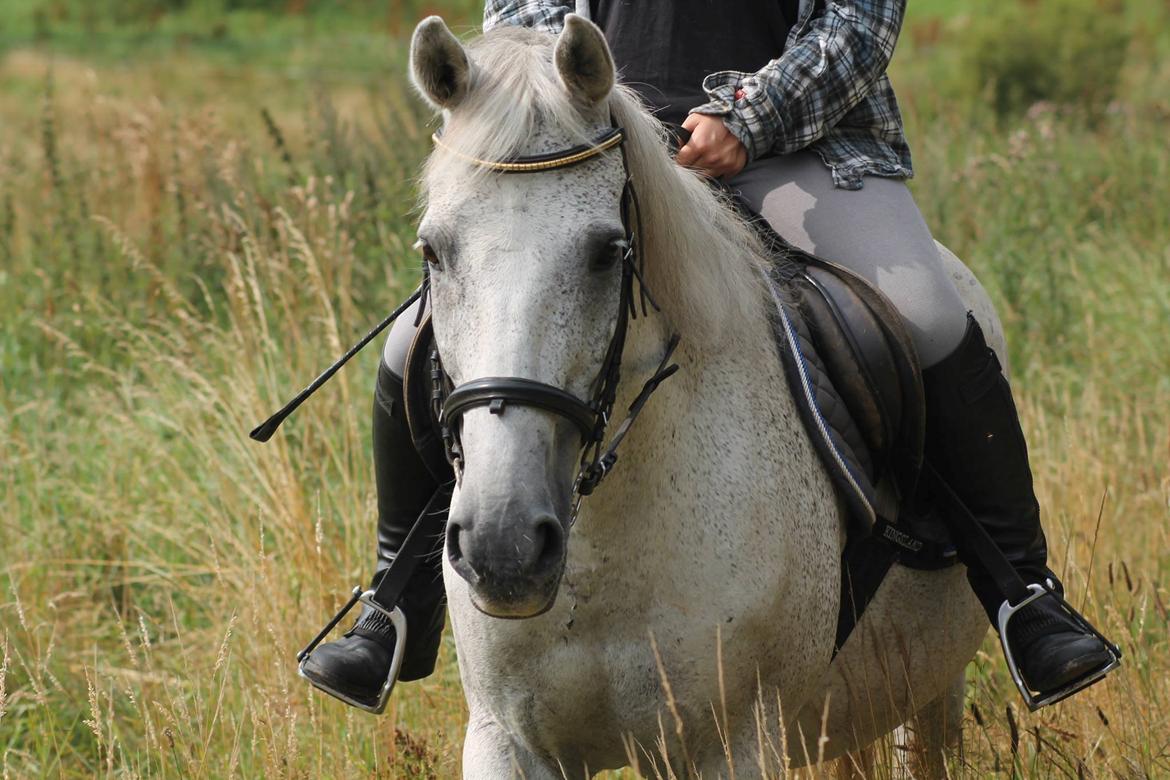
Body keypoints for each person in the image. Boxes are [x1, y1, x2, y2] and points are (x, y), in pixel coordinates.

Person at [301, 0, 1117, 710]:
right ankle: (395, 603)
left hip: (800, 150)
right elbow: (523, 18)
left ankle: (1023, 596)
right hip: (587, 153)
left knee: (926, 312)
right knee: (415, 339)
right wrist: (559, 106)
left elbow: (858, 27)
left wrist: (749, 119)